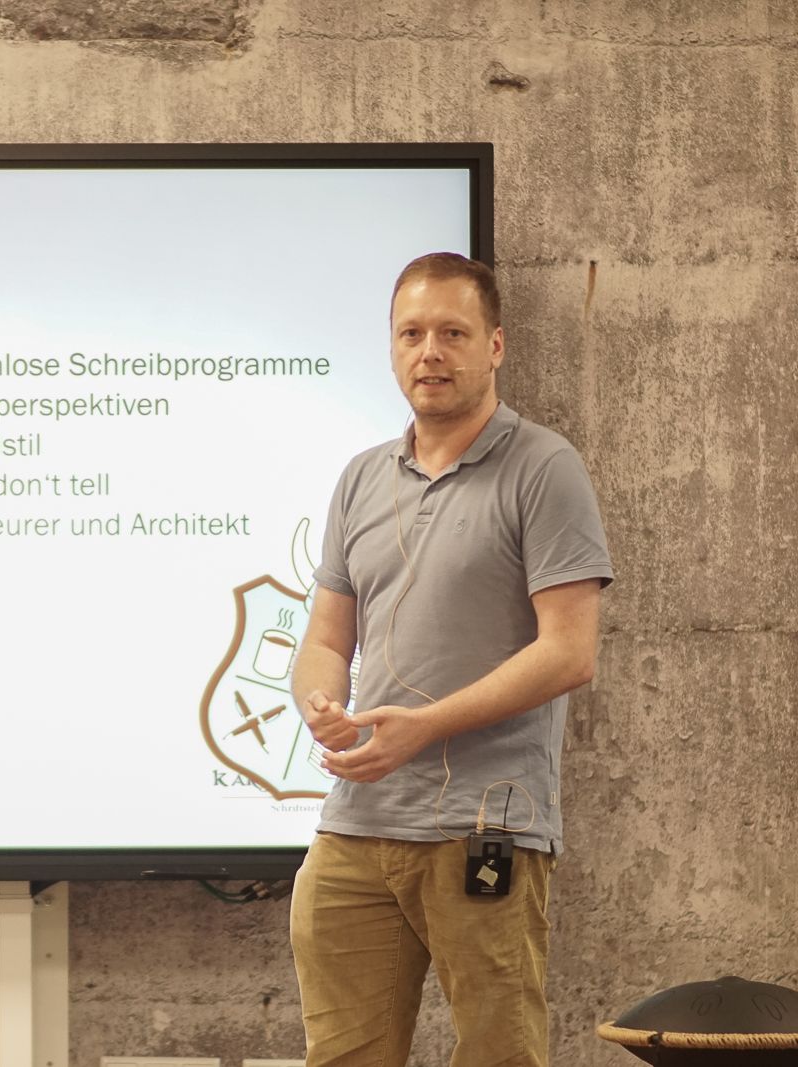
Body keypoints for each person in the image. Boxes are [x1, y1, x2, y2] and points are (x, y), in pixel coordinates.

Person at [287, 252, 614, 1067]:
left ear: (495, 345)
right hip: (355, 828)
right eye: (411, 334)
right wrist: (320, 701)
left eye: (452, 333)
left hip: (484, 825)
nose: (429, 351)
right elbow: (326, 640)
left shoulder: (545, 468)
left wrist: (424, 725)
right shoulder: (360, 478)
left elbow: (569, 652)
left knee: (500, 1056)